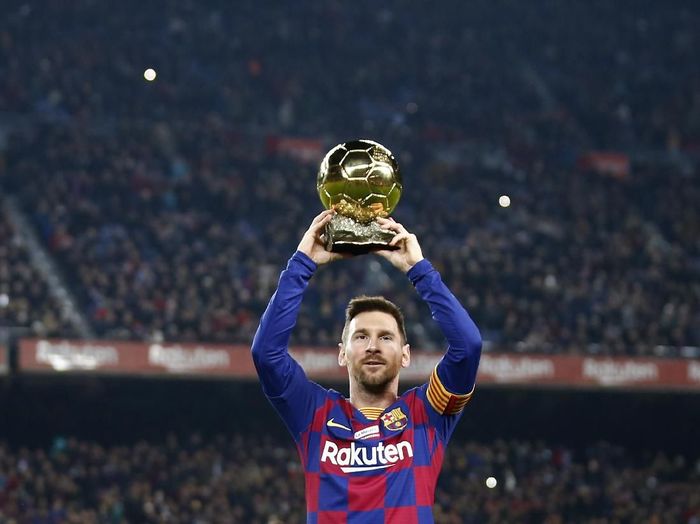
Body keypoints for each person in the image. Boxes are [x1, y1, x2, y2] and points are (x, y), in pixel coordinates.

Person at [251, 209, 482, 523]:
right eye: (361, 336)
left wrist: (418, 269)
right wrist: (302, 263)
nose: (373, 346)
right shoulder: (314, 413)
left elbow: (468, 347)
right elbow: (266, 353)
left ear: (405, 355)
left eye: (386, 337)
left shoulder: (427, 413)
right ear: (342, 354)